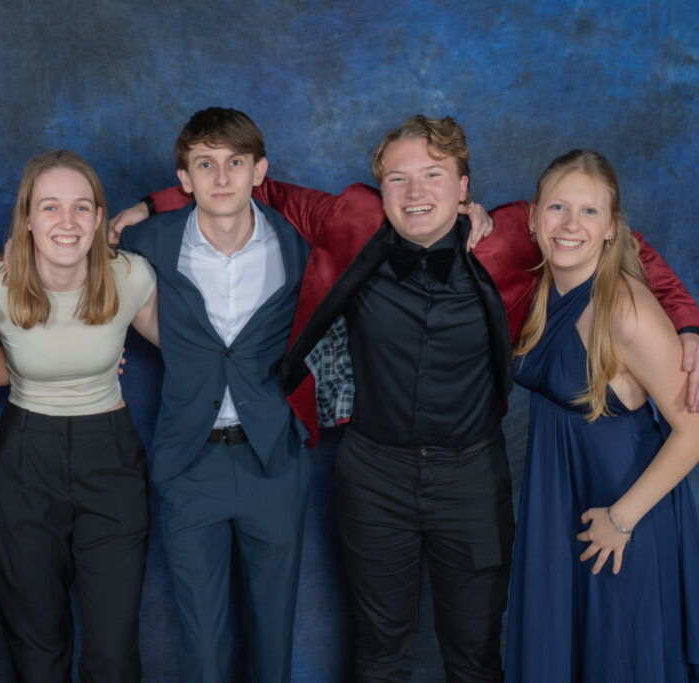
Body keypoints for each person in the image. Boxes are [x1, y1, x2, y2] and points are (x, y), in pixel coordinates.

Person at [114, 115, 699, 681]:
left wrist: (688, 323)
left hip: (472, 479)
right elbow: (250, 187)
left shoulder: (514, 235)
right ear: (381, 189)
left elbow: (617, 243)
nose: (415, 192)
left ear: (463, 187)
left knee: (475, 659)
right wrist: (151, 205)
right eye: (399, 178)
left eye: (433, 175)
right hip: (372, 477)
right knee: (378, 657)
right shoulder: (352, 218)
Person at [115, 107, 311, 682]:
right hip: (189, 462)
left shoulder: (299, 243)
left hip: (273, 459)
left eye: (235, 163)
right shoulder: (146, 240)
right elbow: (73, 258)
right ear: (184, 178)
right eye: (205, 164)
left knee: (272, 635)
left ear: (259, 171)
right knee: (202, 644)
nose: (221, 178)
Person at [505, 150, 699, 682]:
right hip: (560, 505)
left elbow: (694, 430)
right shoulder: (543, 288)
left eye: (589, 212)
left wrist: (621, 519)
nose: (571, 225)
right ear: (533, 218)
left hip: (623, 516)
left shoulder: (623, 308)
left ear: (612, 228)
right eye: (558, 208)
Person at [0, 150, 159, 682]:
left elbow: (198, 353)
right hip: (24, 459)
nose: (67, 221)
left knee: (113, 652)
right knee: (36, 645)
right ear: (27, 218)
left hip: (111, 458)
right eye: (49, 207)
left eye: (81, 207)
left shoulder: (132, 276)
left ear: (99, 218)